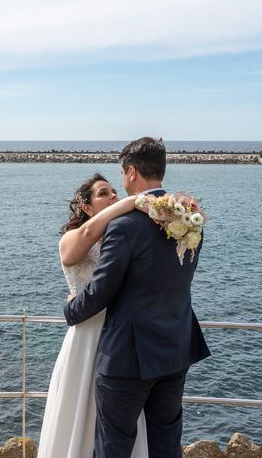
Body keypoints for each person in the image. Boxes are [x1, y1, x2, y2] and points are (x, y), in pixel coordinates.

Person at [64, 137, 210, 458]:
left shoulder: (125, 225)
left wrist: (71, 310)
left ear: (131, 172)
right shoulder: (190, 218)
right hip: (175, 348)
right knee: (165, 444)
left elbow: (102, 289)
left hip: (128, 357)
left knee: (113, 448)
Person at [37, 173, 149, 458]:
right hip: (86, 335)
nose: (113, 196)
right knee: (79, 409)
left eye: (114, 192)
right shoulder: (71, 238)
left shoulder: (119, 237)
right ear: (86, 207)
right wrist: (133, 201)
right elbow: (88, 235)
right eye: (103, 193)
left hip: (120, 335)